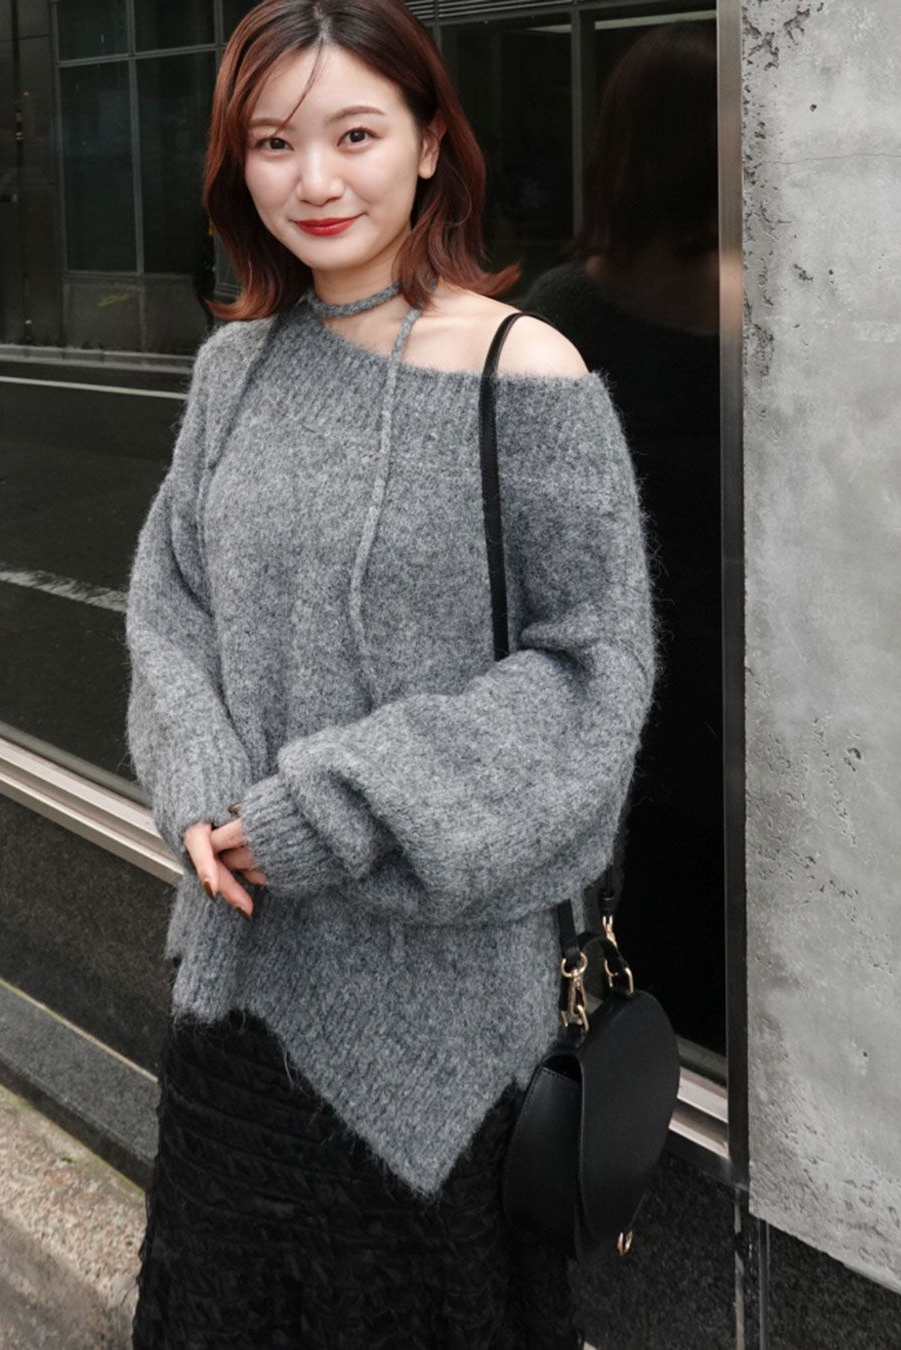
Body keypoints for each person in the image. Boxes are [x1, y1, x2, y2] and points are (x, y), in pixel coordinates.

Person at [126, 1, 654, 1345]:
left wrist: (330, 808)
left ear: (428, 142)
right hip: (238, 982)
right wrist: (199, 790)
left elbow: (591, 674)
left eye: (354, 134)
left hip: (445, 1015)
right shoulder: (233, 371)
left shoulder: (525, 368)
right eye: (272, 142)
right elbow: (170, 606)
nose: (313, 178)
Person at [525, 22, 724, 1051]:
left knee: (633, 972)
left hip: (622, 714)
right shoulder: (775, 309)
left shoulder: (559, 318)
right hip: (747, 703)